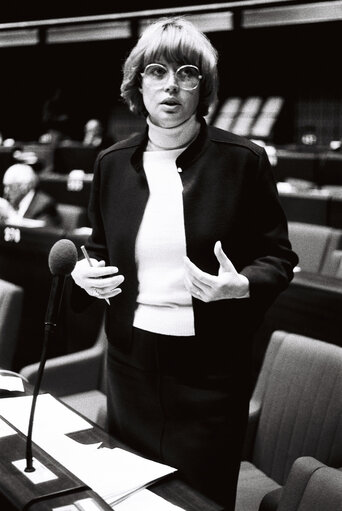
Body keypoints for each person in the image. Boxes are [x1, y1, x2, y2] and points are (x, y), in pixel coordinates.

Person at [71, 16, 298, 510]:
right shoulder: (111, 163)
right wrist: (85, 274)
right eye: (157, 71)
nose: (171, 84)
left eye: (187, 72)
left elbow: (278, 256)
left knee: (198, 500)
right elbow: (101, 249)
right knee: (130, 493)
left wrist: (241, 285)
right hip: (129, 364)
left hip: (211, 374)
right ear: (138, 85)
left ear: (203, 87)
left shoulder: (244, 160)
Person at [0, 163, 61, 227]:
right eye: (5, 186)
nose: (6, 191)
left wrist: (10, 214)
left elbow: (43, 230)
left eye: (10, 186)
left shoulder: (44, 204)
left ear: (24, 187)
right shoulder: (9, 201)